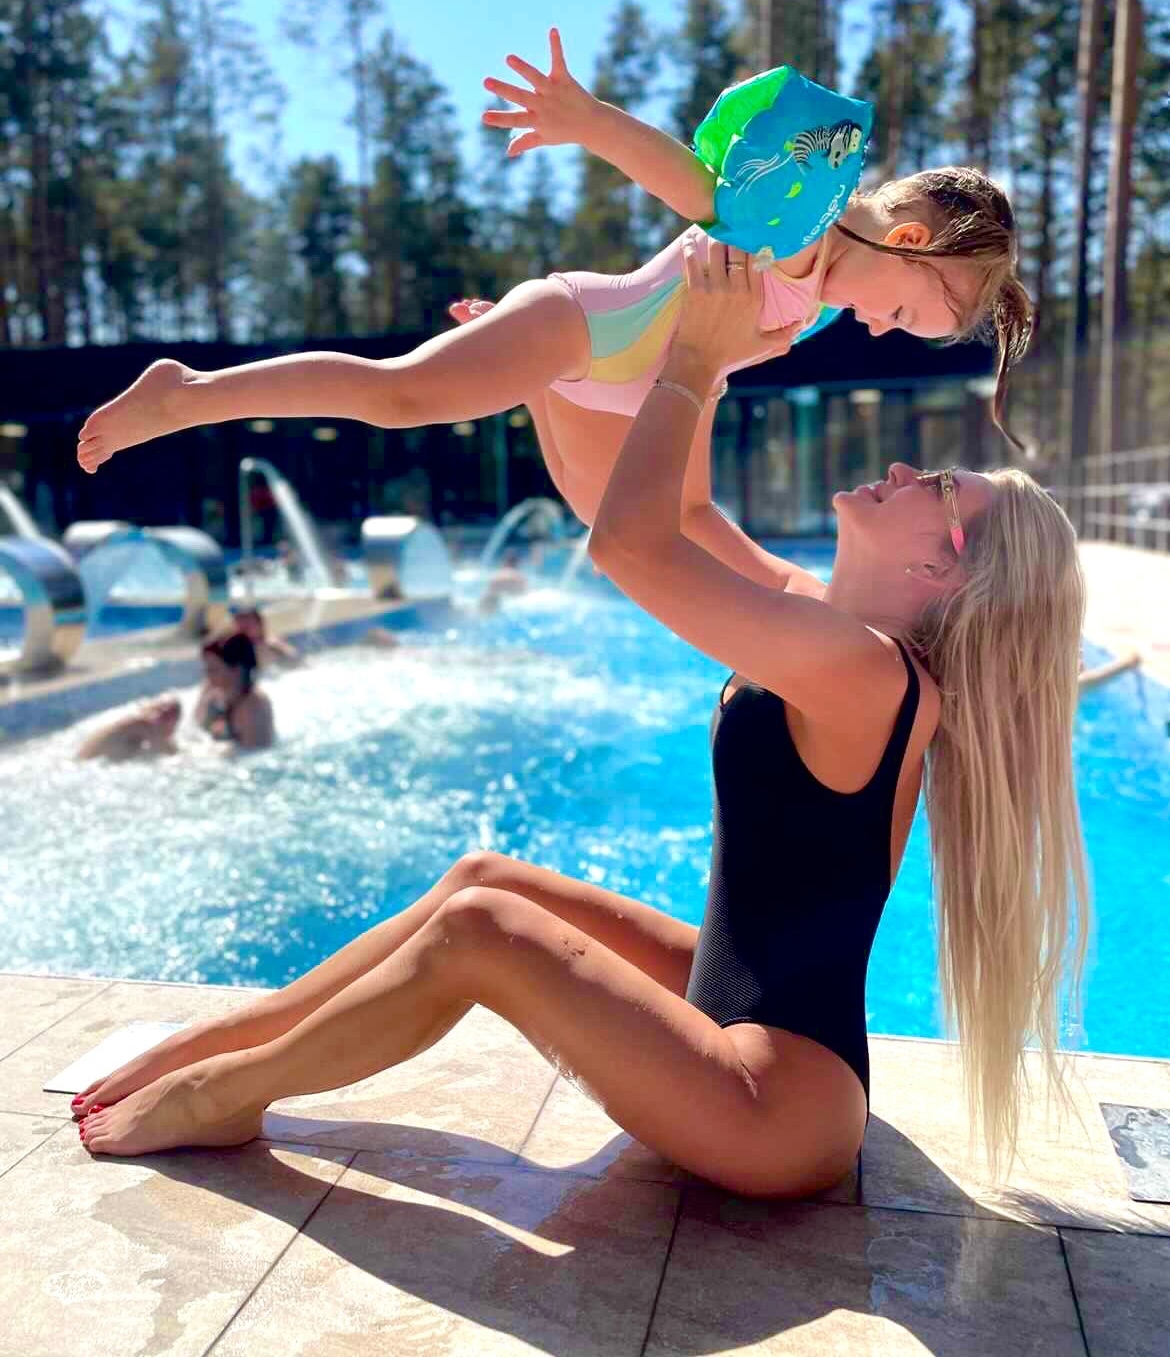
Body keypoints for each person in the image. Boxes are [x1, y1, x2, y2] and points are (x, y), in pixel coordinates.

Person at [71, 242, 1088, 1203]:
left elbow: (630, 548)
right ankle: (212, 1043)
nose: (907, 471)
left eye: (938, 488)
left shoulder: (868, 675)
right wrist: (558, 379)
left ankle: (222, 1095)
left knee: (483, 931)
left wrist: (693, 363)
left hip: (774, 1105)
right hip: (728, 1005)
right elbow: (671, 517)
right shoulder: (815, 618)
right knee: (485, 878)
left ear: (941, 566)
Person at [75, 32, 1032, 506]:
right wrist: (589, 120)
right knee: (401, 394)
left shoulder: (821, 296)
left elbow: (708, 365)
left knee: (599, 517)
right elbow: (692, 185)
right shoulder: (793, 228)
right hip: (583, 326)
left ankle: (527, 374)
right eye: (904, 315)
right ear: (909, 243)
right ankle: (187, 392)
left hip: (609, 379)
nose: (878, 329)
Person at [194, 630, 275, 750]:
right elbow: (195, 725)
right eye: (207, 669)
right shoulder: (215, 688)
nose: (207, 675)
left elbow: (254, 755)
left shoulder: (252, 709)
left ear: (237, 669)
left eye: (213, 669)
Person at [76, 695, 181, 762]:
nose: (159, 717)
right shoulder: (140, 724)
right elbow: (172, 754)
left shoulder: (135, 724)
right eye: (166, 715)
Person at [232, 607, 301, 669]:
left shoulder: (272, 643)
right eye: (241, 628)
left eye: (247, 626)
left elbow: (295, 659)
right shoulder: (238, 647)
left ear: (260, 624)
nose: (244, 631)